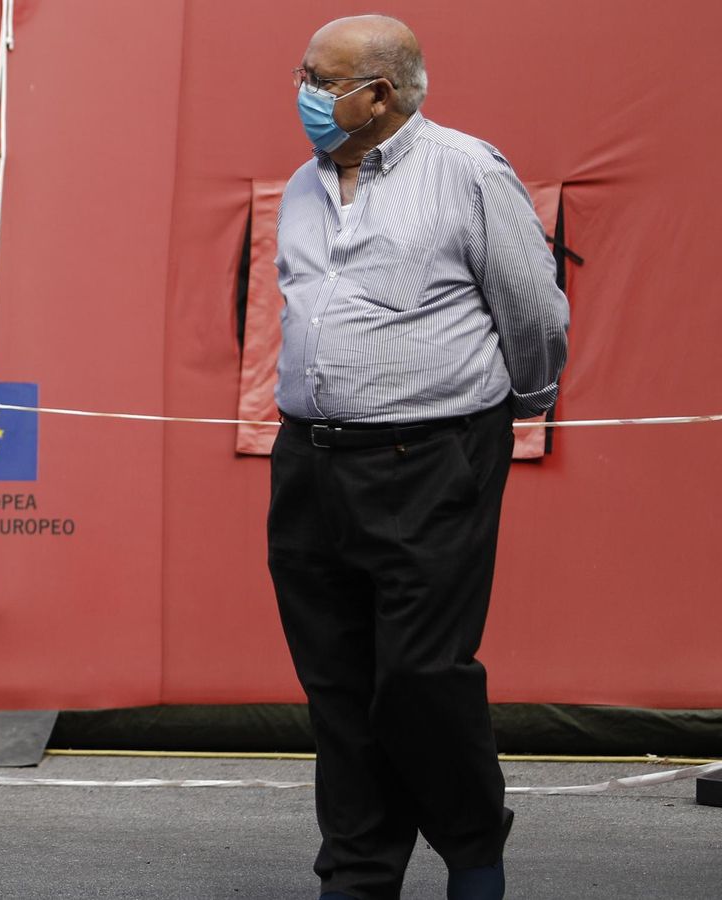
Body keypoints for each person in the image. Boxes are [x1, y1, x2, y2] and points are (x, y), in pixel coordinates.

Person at [268, 15, 567, 900]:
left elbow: (536, 315)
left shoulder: (468, 170)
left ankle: (474, 853)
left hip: (431, 458)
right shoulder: (301, 186)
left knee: (420, 679)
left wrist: (512, 411)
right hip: (310, 466)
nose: (305, 94)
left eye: (322, 81)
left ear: (381, 94)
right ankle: (357, 878)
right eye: (304, 74)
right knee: (337, 687)